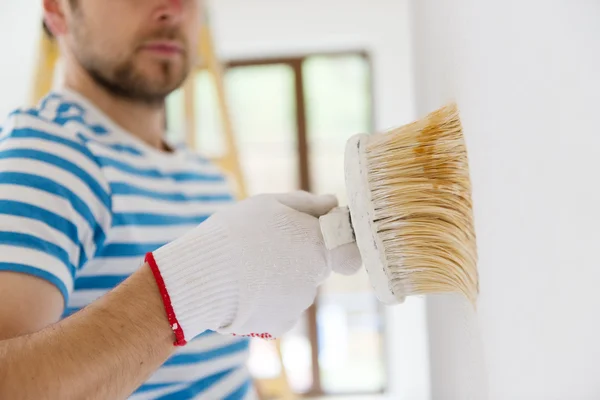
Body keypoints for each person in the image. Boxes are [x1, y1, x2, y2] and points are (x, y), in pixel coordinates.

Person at [0, 0, 362, 398]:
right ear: (57, 11)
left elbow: (209, 371)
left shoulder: (205, 176)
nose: (173, 8)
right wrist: (195, 285)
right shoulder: (44, 158)